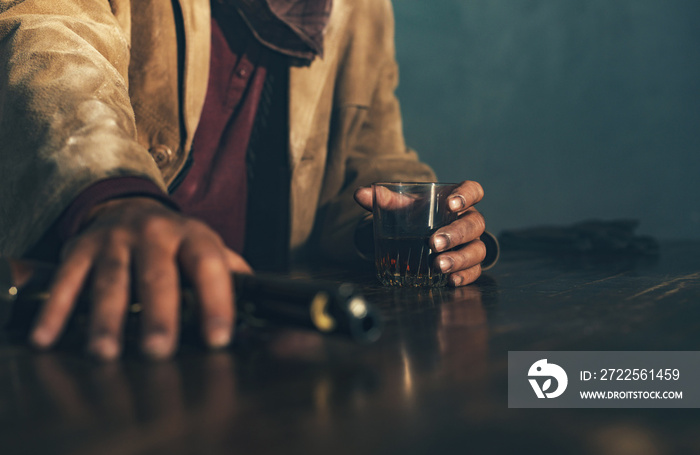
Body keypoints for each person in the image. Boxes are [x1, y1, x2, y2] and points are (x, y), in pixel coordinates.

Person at [0, 0, 496, 360]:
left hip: (268, 338)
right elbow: (49, 40)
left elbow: (373, 154)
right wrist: (114, 196)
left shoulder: (363, 8)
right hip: (77, 317)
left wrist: (424, 226)